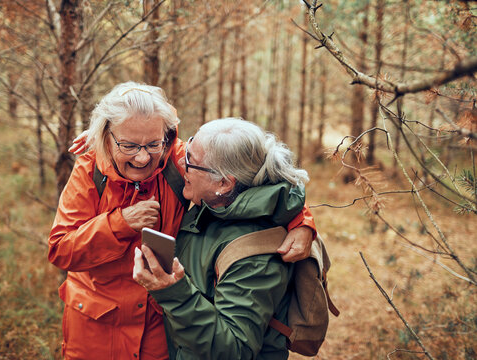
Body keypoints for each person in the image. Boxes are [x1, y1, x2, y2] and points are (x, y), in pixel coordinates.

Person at [49, 81, 316, 359]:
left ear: (165, 136)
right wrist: (120, 224)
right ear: (107, 136)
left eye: (152, 144)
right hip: (94, 326)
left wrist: (302, 219)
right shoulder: (91, 169)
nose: (142, 158)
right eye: (128, 145)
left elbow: (254, 174)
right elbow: (60, 250)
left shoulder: (177, 161)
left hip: (158, 324)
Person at [133, 118, 309, 359]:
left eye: (190, 162)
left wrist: (174, 292)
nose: (181, 166)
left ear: (224, 183)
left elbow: (235, 350)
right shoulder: (215, 203)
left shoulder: (254, 256)